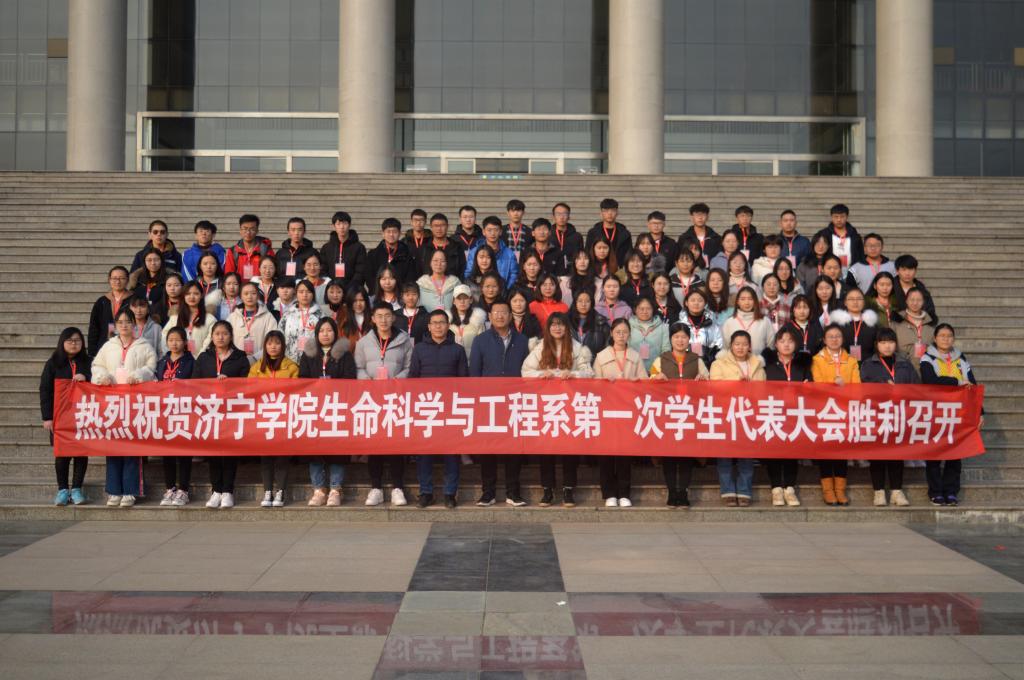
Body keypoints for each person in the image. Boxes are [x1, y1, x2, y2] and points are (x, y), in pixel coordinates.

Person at [522, 312, 595, 507]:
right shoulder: (540, 347)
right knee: (546, 449)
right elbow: (525, 372)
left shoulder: (577, 347)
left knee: (569, 448)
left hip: (570, 404)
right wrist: (540, 374)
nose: (557, 328)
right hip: (547, 405)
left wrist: (573, 374)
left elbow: (589, 373)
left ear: (566, 327)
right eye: (553, 325)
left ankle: (568, 490)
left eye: (561, 324)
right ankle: (547, 490)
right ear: (548, 328)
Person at [91, 308, 157, 507]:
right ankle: (114, 491)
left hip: (135, 403)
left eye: (128, 322)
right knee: (112, 446)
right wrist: (102, 376)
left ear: (134, 324)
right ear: (115, 325)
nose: (124, 325)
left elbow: (151, 366)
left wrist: (140, 375)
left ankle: (130, 490)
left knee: (131, 447)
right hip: (112, 404)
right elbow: (97, 365)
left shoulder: (144, 345)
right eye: (120, 322)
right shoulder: (108, 346)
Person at [470, 300, 531, 506]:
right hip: (489, 403)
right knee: (488, 448)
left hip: (514, 401)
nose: (500, 316)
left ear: (510, 316)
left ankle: (513, 492)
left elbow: (528, 371)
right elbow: (474, 373)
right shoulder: (480, 340)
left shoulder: (522, 340)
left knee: (513, 448)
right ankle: (488, 492)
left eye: (504, 312)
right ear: (489, 316)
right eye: (495, 312)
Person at [408, 310, 469, 509]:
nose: (438, 326)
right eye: (434, 323)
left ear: (448, 325)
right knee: (424, 453)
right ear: (429, 326)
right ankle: (426, 492)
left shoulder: (458, 350)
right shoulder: (419, 349)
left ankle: (450, 493)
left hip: (450, 408)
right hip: (426, 408)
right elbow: (413, 378)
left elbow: (464, 381)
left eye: (442, 322)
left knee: (452, 453)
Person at [354, 301, 413, 506]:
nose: (384, 320)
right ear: (372, 319)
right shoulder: (363, 342)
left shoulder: (404, 341)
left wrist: (397, 380)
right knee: (375, 444)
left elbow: (410, 367)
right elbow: (358, 367)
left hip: (396, 398)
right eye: (379, 316)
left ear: (393, 317)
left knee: (395, 444)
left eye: (387, 316)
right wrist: (367, 382)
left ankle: (398, 487)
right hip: (372, 399)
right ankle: (376, 487)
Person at [192, 321, 250, 509]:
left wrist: (230, 383)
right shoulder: (204, 357)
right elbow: (194, 383)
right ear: (212, 336)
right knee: (214, 452)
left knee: (230, 452)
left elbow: (247, 384)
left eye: (224, 333)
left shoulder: (240, 357)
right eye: (217, 333)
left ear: (231, 336)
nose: (221, 337)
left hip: (232, 411)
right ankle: (216, 490)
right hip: (210, 411)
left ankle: (228, 491)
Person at [920, 323, 980, 506]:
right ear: (935, 338)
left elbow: (973, 386)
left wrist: (980, 412)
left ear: (953, 339)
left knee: (956, 453)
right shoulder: (927, 358)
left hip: (958, 412)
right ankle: (936, 492)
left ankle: (951, 491)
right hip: (936, 411)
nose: (946, 339)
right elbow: (931, 381)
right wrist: (957, 382)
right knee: (934, 453)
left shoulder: (961, 359)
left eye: (949, 336)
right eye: (942, 336)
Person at [298, 318, 357, 506]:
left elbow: (350, 378)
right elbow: (302, 379)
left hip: (337, 408)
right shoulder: (308, 354)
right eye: (322, 330)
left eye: (329, 330)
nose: (325, 334)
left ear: (335, 333)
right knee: (314, 449)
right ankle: (318, 489)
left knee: (337, 448)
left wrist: (333, 385)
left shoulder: (344, 355)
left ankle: (335, 489)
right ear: (317, 334)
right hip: (315, 409)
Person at [649, 322, 707, 507]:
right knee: (669, 455)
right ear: (670, 339)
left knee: (686, 455)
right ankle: (672, 491)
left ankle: (683, 491)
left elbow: (709, 382)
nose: (680, 340)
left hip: (690, 414)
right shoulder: (660, 360)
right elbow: (649, 382)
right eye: (676, 337)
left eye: (683, 337)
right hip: (668, 414)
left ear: (689, 339)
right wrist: (656, 379)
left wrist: (703, 380)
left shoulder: (697, 360)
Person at [860, 327, 918, 507]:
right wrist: (882, 387)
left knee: (896, 455)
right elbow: (863, 387)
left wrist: (903, 392)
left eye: (891, 342)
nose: (887, 346)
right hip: (877, 415)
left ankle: (896, 491)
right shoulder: (868, 364)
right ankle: (878, 491)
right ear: (876, 345)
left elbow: (917, 387)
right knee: (877, 454)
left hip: (900, 415)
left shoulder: (905, 364)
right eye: (883, 342)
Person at [593, 318, 647, 507]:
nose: (621, 336)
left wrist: (635, 383)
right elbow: (593, 384)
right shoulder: (601, 356)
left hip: (627, 410)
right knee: (606, 454)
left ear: (629, 334)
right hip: (607, 411)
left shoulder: (635, 356)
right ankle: (609, 493)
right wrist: (604, 383)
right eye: (618, 332)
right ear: (611, 334)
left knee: (624, 454)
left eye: (625, 332)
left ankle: (624, 493)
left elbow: (644, 382)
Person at [709, 331, 765, 505]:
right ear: (731, 346)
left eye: (744, 344)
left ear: (750, 346)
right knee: (724, 455)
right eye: (737, 344)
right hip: (726, 414)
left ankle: (744, 491)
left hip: (749, 415)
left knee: (746, 456)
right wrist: (736, 383)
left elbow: (763, 391)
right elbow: (714, 387)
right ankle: (727, 490)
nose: (741, 347)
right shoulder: (718, 363)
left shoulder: (758, 365)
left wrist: (750, 388)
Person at [40, 327, 92, 506]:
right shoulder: (53, 363)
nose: (73, 343)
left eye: (77, 340)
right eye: (69, 340)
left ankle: (77, 489)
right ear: (62, 342)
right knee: (62, 454)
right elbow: (45, 390)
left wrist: (87, 377)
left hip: (83, 415)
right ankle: (62, 490)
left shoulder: (89, 361)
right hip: (60, 416)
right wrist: (47, 417)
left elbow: (99, 381)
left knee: (81, 454)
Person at [247, 331, 299, 508]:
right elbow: (249, 389)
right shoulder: (257, 367)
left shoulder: (291, 367)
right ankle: (268, 490)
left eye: (277, 343)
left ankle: (281, 491)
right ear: (265, 346)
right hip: (264, 417)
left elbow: (297, 390)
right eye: (269, 343)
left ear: (283, 346)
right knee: (266, 457)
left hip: (284, 417)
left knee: (282, 457)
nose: (273, 347)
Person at [811, 323, 861, 506]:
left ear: (843, 339)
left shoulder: (851, 360)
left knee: (841, 452)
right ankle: (828, 490)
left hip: (845, 410)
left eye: (837, 336)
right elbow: (818, 384)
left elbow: (857, 386)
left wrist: (843, 388)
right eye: (830, 336)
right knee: (826, 451)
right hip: (825, 411)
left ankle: (840, 490)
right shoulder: (817, 360)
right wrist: (836, 385)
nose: (834, 339)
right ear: (824, 340)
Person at [763, 327, 811, 507]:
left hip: (795, 414)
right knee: (774, 452)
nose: (786, 344)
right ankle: (776, 488)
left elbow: (812, 385)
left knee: (792, 451)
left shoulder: (802, 364)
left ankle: (790, 488)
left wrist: (809, 386)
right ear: (776, 344)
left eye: (790, 341)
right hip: (774, 413)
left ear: (796, 344)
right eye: (782, 341)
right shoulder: (768, 364)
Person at [155, 326, 194, 507]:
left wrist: (184, 385)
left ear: (185, 342)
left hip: (184, 411)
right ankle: (170, 488)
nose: (174, 343)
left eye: (178, 340)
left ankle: (184, 490)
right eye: (171, 340)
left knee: (184, 452)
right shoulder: (162, 361)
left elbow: (198, 384)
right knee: (167, 452)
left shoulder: (190, 361)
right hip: (165, 411)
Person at [161, 280, 215, 356]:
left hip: (200, 360)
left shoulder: (210, 319)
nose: (192, 297)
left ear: (201, 295)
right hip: (177, 359)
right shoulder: (175, 318)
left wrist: (200, 359)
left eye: (196, 293)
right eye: (188, 294)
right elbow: (164, 336)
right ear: (183, 296)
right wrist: (172, 355)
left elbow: (209, 341)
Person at [88, 266, 132, 358]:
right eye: (114, 278)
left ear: (127, 280)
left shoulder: (134, 300)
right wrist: (92, 352)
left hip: (128, 347)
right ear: (109, 280)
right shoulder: (102, 301)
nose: (118, 281)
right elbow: (94, 328)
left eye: (122, 278)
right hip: (105, 346)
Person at [465, 215, 519, 289]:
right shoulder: (474, 252)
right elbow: (468, 273)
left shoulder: (509, 254)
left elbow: (514, 275)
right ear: (483, 232)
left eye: (496, 230)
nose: (493, 233)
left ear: (500, 232)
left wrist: (505, 290)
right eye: (489, 230)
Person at [320, 210, 367, 293]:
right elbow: (323, 269)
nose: (342, 227)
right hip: (332, 290)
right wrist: (331, 286)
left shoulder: (359, 247)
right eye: (338, 224)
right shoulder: (326, 248)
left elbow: (360, 271)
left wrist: (351, 287)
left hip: (352, 290)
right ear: (334, 226)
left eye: (345, 223)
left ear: (349, 225)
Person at [228, 282, 277, 360]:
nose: (249, 296)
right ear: (241, 297)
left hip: (260, 361)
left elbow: (272, 340)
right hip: (237, 360)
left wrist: (255, 358)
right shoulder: (233, 317)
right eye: (246, 294)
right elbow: (227, 340)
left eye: (253, 293)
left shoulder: (268, 317)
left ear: (258, 296)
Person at [721, 286, 775, 358]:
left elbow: (771, 346)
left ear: (755, 301)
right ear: (737, 302)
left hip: (759, 363)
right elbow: (725, 347)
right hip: (734, 363)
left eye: (750, 299)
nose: (747, 303)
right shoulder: (729, 322)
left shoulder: (765, 321)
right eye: (743, 299)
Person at [279, 279, 323, 362]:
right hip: (289, 361)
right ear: (296, 294)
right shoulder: (287, 314)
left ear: (313, 294)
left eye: (308, 292)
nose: (305, 295)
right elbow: (280, 336)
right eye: (301, 292)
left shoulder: (320, 315)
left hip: (313, 361)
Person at [679, 288, 724, 370]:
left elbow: (719, 348)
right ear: (686, 303)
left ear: (705, 303)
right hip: (684, 368)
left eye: (700, 300)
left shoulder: (713, 326)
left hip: (709, 368)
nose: (696, 303)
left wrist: (710, 363)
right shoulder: (679, 325)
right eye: (692, 300)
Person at [892, 288, 936, 370]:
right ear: (906, 301)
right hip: (903, 369)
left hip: (927, 369)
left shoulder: (931, 323)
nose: (915, 303)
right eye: (912, 300)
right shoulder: (897, 322)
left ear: (923, 302)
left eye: (919, 300)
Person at [831, 287, 879, 362]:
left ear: (864, 302)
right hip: (842, 363)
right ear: (845, 302)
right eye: (851, 299)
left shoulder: (871, 322)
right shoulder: (837, 323)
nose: (855, 302)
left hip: (868, 364)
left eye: (859, 299)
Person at [813, 204, 863, 274]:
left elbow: (861, 255)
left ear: (847, 217)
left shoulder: (855, 236)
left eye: (842, 216)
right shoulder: (824, 234)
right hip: (830, 272)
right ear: (831, 217)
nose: (839, 220)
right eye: (836, 217)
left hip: (852, 273)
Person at [224, 213, 274, 279]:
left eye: (252, 229)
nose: (248, 232)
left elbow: (272, 271)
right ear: (240, 230)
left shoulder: (265, 249)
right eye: (245, 229)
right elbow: (229, 275)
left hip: (260, 285)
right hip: (240, 285)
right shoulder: (233, 251)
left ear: (257, 231)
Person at [892, 254, 938, 322]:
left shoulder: (921, 289)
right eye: (904, 270)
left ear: (915, 270)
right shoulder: (890, 287)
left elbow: (930, 311)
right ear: (897, 271)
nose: (907, 273)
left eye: (911, 269)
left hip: (918, 325)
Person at [628, 297, 670, 373]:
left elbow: (666, 350)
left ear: (653, 310)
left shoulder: (663, 328)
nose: (645, 311)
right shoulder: (628, 326)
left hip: (655, 371)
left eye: (648, 308)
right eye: (641, 309)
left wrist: (658, 369)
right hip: (632, 371)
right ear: (635, 310)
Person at [586, 197, 632, 264]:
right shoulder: (593, 233)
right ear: (601, 213)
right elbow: (588, 253)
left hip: (619, 268)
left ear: (617, 213)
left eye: (613, 210)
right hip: (598, 267)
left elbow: (629, 254)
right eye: (606, 210)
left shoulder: (625, 234)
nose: (610, 213)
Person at [569, 289, 610, 363]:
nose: (583, 304)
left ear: (592, 303)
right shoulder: (566, 321)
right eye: (580, 301)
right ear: (575, 302)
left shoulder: (601, 322)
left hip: (594, 364)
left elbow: (607, 347)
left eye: (587, 301)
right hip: (571, 364)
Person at [421, 212, 466, 279]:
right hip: (428, 284)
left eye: (442, 225)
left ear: (447, 226)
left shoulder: (457, 247)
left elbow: (462, 270)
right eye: (436, 226)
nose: (439, 229)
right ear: (431, 227)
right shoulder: (424, 248)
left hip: (453, 284)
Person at [677, 202, 722, 267]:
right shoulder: (684, 239)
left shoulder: (716, 238)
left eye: (703, 214)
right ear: (691, 217)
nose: (700, 217)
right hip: (690, 271)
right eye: (697, 215)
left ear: (707, 217)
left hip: (711, 271)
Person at [448, 284, 488, 356]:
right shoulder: (447, 319)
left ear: (471, 300)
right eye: (459, 298)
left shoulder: (478, 319)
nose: (462, 301)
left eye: (465, 298)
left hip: (472, 360)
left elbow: (482, 344)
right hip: (451, 359)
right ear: (454, 301)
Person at [551, 202, 585, 273]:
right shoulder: (548, 236)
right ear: (553, 217)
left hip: (572, 274)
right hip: (551, 274)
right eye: (558, 214)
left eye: (565, 214)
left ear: (569, 217)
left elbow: (580, 256)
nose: (561, 217)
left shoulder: (577, 236)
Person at [404, 208, 430, 275]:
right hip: (410, 277)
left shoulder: (432, 240)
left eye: (421, 220)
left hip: (427, 277)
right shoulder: (404, 242)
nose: (418, 223)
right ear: (411, 222)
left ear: (425, 222)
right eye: (415, 220)